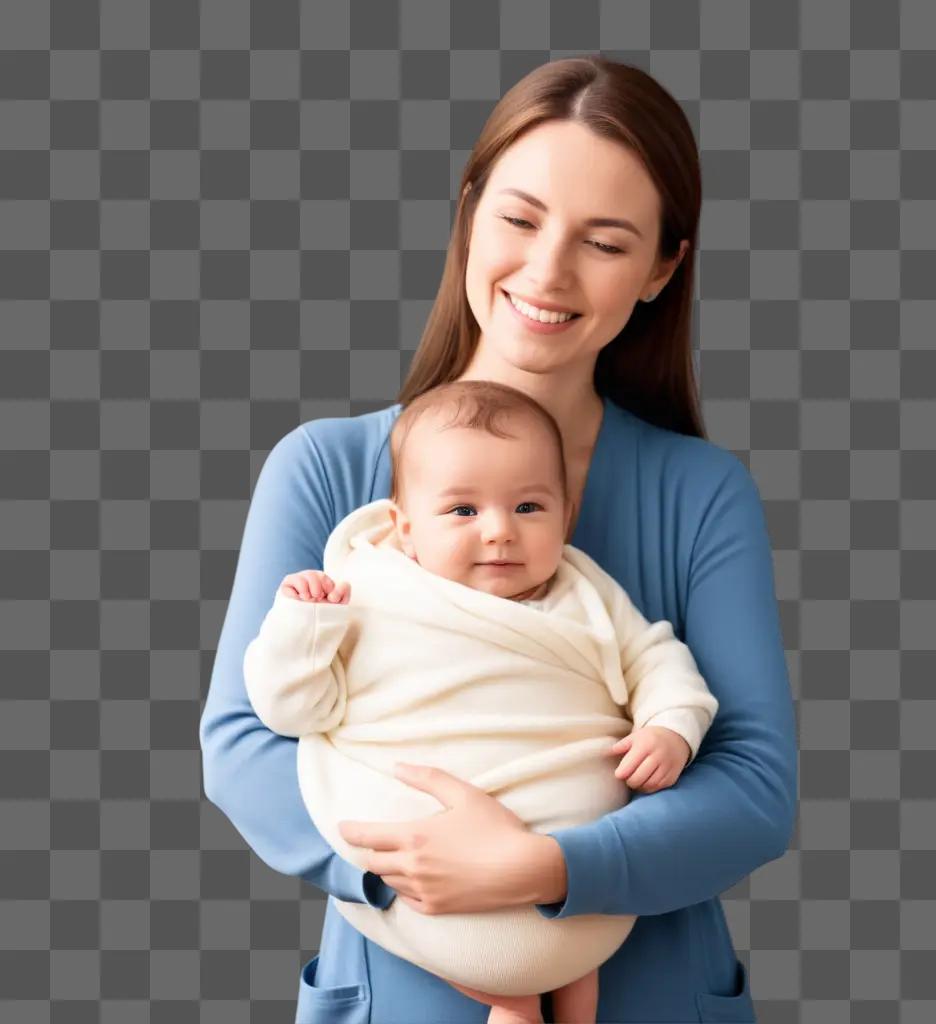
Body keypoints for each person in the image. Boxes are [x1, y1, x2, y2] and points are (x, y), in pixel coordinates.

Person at [200, 55, 798, 1024]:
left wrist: (547, 866)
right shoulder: (327, 469)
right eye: (519, 219)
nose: (547, 272)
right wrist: (428, 874)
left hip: (650, 992)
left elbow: (754, 785)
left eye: (604, 242)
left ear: (660, 268)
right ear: (468, 210)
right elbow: (240, 745)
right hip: (402, 983)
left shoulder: (698, 492)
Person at [241, 380, 720, 1024]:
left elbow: (657, 658)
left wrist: (671, 726)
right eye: (463, 511)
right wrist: (304, 625)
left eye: (529, 507)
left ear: (566, 515)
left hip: (579, 868)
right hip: (428, 880)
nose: (500, 532)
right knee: (533, 973)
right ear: (405, 528)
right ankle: (516, 1000)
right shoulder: (368, 592)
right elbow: (289, 710)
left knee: (574, 965)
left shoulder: (585, 592)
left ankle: (548, 990)